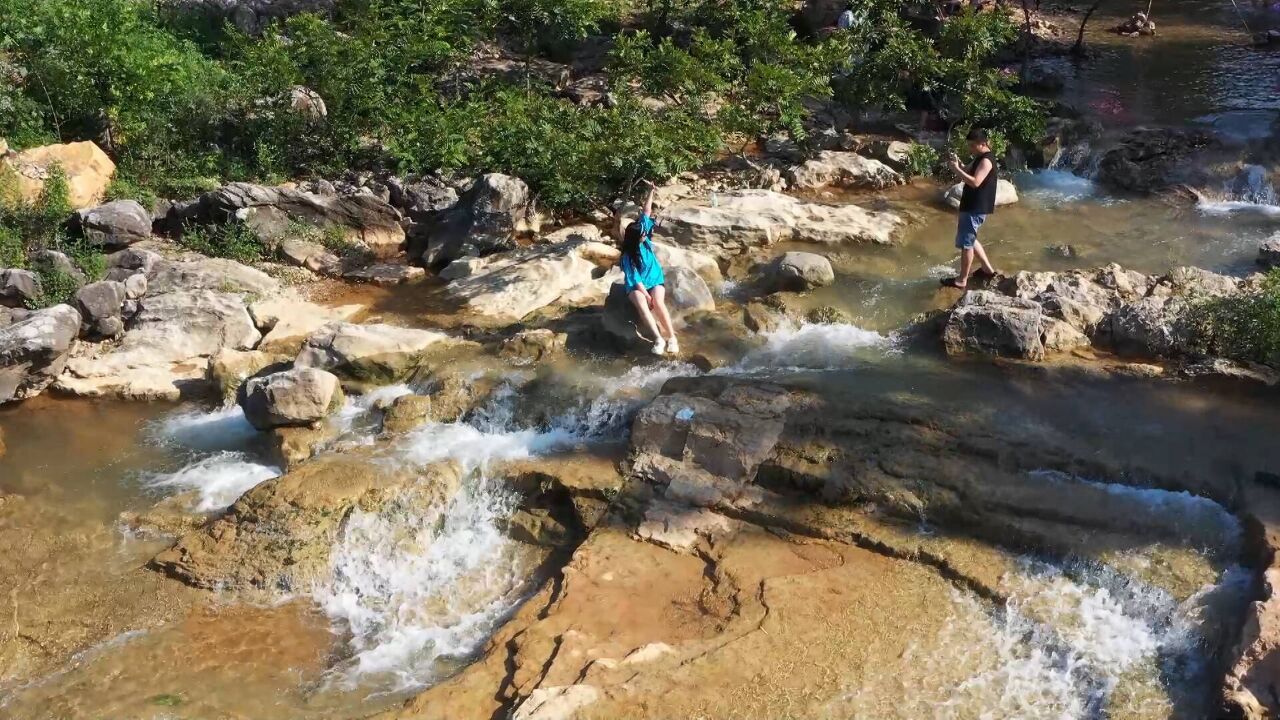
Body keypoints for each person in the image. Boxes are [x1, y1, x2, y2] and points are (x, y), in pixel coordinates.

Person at [621, 180, 680, 355]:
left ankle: (672, 337)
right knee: (641, 303)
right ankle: (658, 338)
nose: (646, 234)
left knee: (659, 304)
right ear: (635, 237)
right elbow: (635, 279)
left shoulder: (643, 237)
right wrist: (647, 296)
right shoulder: (628, 256)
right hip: (637, 285)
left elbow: (646, 212)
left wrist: (651, 191)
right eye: (643, 234)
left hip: (654, 280)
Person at [941, 127, 1000, 290]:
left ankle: (962, 280)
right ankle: (987, 270)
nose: (970, 148)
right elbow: (967, 171)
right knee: (971, 239)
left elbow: (975, 182)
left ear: (982, 143)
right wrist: (958, 164)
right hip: (972, 204)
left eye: (972, 145)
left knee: (966, 244)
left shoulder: (986, 160)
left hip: (975, 206)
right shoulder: (980, 157)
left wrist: (956, 170)